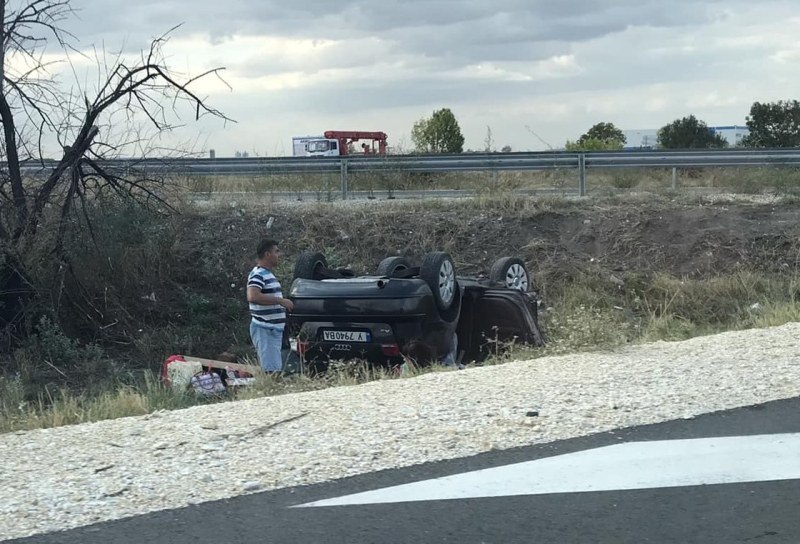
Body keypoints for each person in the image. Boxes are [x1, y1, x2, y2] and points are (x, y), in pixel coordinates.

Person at [246, 239, 294, 373]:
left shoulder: (268, 274)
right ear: (267, 254)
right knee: (271, 371)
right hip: (265, 328)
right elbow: (253, 296)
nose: (279, 255)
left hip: (273, 330)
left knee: (275, 368)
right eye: (276, 251)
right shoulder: (258, 274)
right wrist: (280, 301)